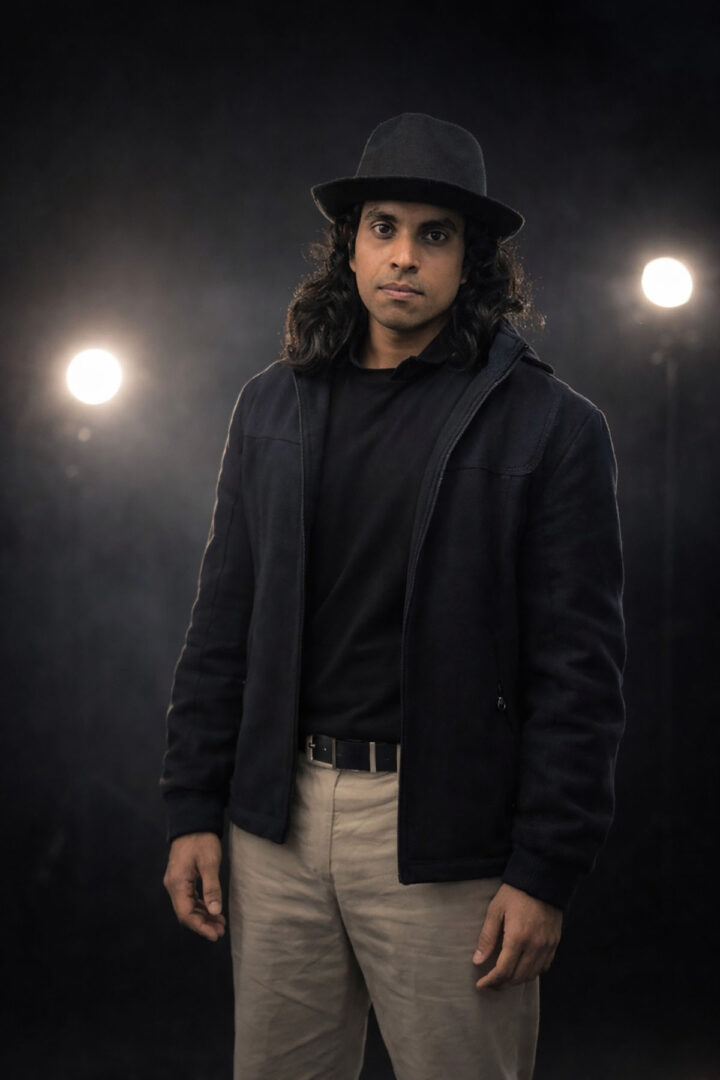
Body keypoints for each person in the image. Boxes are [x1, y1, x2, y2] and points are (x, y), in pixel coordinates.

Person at [160, 112, 626, 1080]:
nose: (404, 255)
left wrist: (544, 870)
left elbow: (579, 675)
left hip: (447, 834)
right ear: (351, 245)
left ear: (472, 260)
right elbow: (222, 622)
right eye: (384, 228)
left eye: (434, 234)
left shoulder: (551, 426)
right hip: (276, 823)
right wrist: (192, 806)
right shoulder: (272, 404)